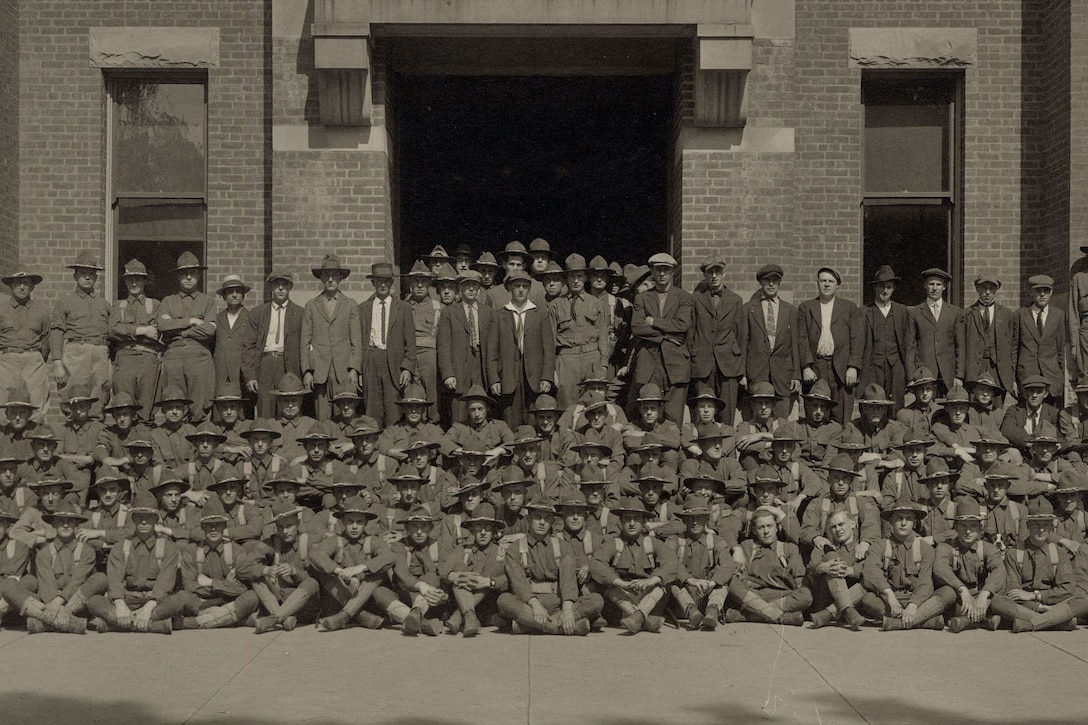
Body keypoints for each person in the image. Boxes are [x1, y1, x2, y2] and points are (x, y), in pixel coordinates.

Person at [84, 491, 187, 634]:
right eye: (139, 517)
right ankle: (156, 625)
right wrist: (120, 605)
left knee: (180, 599)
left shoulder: (168, 548)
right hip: (128, 599)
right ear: (133, 518)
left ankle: (114, 624)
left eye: (149, 517)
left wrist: (147, 609)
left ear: (156, 519)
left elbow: (165, 583)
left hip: (155, 601)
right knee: (94, 601)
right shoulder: (121, 546)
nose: (144, 521)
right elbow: (115, 580)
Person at [496, 497, 601, 636]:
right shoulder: (515, 549)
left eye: (547, 518)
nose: (542, 522)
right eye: (537, 517)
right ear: (528, 519)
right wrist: (536, 605)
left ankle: (526, 626)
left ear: (553, 521)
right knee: (503, 601)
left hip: (558, 602)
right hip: (530, 604)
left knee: (596, 600)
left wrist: (567, 609)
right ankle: (561, 627)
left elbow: (568, 581)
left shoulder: (563, 547)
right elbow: (518, 584)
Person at [1, 501, 97, 634]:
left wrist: (59, 605)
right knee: (9, 585)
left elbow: (77, 582)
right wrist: (53, 604)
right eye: (60, 521)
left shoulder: (87, 550)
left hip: (75, 603)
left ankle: (47, 621)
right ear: (53, 525)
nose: (65, 525)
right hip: (47, 603)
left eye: (70, 521)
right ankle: (66, 622)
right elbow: (47, 587)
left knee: (100, 578)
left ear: (76, 524)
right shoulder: (44, 553)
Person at [991, 497, 1081, 632]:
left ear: (1051, 527)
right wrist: (1040, 607)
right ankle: (1054, 621)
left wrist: (1036, 596)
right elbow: (1014, 592)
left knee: (1080, 600)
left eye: (1045, 525)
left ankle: (1029, 623)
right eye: (1036, 524)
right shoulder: (1014, 553)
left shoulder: (1059, 553)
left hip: (1052, 602)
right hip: (1028, 605)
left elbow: (1068, 589)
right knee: (997, 601)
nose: (1041, 530)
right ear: (1028, 526)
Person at [590, 496, 676, 633]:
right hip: (622, 599)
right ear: (620, 521)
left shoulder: (653, 543)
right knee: (606, 584)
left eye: (636, 519)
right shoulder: (613, 543)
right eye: (627, 519)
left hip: (649, 598)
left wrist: (651, 580)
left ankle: (639, 615)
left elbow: (671, 562)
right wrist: (621, 583)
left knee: (663, 583)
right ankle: (642, 619)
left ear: (644, 522)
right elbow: (596, 564)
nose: (631, 523)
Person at [309, 495, 394, 632]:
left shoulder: (372, 540)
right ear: (342, 521)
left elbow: (390, 556)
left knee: (377, 573)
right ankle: (359, 615)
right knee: (323, 572)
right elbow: (315, 555)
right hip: (339, 597)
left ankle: (345, 615)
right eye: (350, 521)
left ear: (366, 523)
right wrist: (339, 571)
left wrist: (360, 568)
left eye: (359, 522)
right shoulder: (335, 540)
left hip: (366, 596)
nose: (354, 526)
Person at [174, 498, 261, 630]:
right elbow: (190, 586)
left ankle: (194, 622)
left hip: (228, 602)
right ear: (202, 527)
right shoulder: (191, 551)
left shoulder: (237, 551)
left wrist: (211, 583)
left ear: (224, 527)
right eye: (208, 525)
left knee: (252, 597)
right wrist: (226, 586)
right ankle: (232, 619)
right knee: (183, 597)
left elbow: (242, 588)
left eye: (218, 524)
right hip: (203, 602)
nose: (213, 529)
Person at [860, 498, 946, 630]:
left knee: (948, 593)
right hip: (892, 601)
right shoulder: (880, 545)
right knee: (868, 599)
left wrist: (913, 605)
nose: (904, 523)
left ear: (915, 522)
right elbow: (871, 572)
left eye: (909, 519)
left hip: (918, 600)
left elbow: (925, 582)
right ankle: (924, 621)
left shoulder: (925, 549)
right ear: (891, 521)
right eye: (899, 518)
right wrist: (890, 595)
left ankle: (897, 622)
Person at [239, 499, 321, 633]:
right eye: (280, 527)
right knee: (256, 576)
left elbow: (319, 577)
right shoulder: (272, 542)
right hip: (279, 599)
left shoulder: (308, 541)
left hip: (305, 603)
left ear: (298, 523)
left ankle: (274, 619)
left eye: (289, 526)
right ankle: (285, 619)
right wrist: (266, 570)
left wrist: (295, 572)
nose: (285, 531)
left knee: (312, 582)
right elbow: (242, 568)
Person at [486, 270, 556, 429]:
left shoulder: (540, 314)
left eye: (524, 286)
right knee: (510, 419)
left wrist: (547, 376)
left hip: (534, 376)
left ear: (529, 288)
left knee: (533, 419)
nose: (521, 290)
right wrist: (494, 378)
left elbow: (549, 349)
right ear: (510, 288)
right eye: (517, 286)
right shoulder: (498, 315)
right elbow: (491, 350)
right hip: (508, 375)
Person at [628, 253, 692, 424]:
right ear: (652, 272)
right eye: (658, 270)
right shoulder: (642, 297)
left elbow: (683, 325)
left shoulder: (684, 297)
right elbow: (637, 327)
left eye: (666, 270)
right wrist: (666, 336)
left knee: (673, 417)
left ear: (672, 273)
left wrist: (654, 321)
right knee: (650, 414)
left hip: (676, 363)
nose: (662, 274)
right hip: (649, 362)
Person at [157, 251, 218, 423]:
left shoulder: (208, 301)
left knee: (200, 406)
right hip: (174, 356)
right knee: (175, 404)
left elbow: (209, 330)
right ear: (178, 276)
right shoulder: (168, 301)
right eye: (184, 273)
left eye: (193, 273)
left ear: (199, 275)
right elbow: (163, 326)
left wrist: (180, 330)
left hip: (199, 356)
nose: (189, 277)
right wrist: (192, 321)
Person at [797, 266, 863, 424]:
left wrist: (853, 367)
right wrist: (806, 367)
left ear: (837, 285)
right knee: (817, 414)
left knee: (841, 416)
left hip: (840, 370)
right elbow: (802, 338)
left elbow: (857, 338)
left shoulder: (849, 308)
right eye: (823, 281)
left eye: (831, 281)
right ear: (818, 283)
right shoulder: (806, 308)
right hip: (816, 368)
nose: (826, 284)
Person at [51, 251, 112, 418]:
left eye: (91, 273)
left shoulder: (104, 305)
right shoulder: (65, 302)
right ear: (75, 275)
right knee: (73, 395)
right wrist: (57, 362)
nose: (88, 277)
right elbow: (56, 331)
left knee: (99, 395)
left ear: (96, 277)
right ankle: (73, 433)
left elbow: (112, 333)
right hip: (76, 351)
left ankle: (95, 435)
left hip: (100, 353)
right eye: (83, 273)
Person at [727, 506, 811, 625]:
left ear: (777, 527)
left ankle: (748, 615)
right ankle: (779, 616)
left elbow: (799, 580)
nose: (766, 531)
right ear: (755, 531)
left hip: (780, 596)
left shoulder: (789, 548)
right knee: (730, 581)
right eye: (761, 527)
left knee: (806, 595)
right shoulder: (747, 546)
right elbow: (738, 575)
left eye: (769, 526)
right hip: (752, 595)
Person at [302, 253, 361, 421]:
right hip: (319, 371)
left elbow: (356, 340)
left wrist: (354, 369)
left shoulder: (350, 305)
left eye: (334, 275)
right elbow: (304, 341)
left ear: (340, 277)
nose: (330, 279)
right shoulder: (311, 306)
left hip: (343, 370)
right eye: (326, 275)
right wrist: (307, 370)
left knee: (342, 415)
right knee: (322, 416)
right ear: (320, 278)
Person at [932, 497, 1006, 632]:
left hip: (981, 599)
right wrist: (962, 589)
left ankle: (966, 621)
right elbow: (940, 568)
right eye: (963, 526)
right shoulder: (945, 547)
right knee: (947, 596)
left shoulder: (987, 548)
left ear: (980, 528)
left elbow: (999, 569)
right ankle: (982, 619)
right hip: (958, 600)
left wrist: (984, 594)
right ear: (956, 527)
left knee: (997, 593)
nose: (968, 531)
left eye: (973, 526)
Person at [359, 262, 417, 428]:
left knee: (393, 409)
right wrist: (360, 369)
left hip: (394, 363)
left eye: (386, 281)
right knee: (372, 409)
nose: (383, 285)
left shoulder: (403, 308)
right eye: (379, 281)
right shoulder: (363, 308)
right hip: (371, 360)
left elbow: (410, 342)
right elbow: (359, 340)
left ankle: (392, 445)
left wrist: (407, 367)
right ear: (373, 283)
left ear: (392, 283)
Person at [438, 502, 508, 636]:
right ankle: (469, 616)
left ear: (494, 530)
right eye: (478, 527)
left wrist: (489, 582)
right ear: (471, 530)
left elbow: (509, 580)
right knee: (461, 573)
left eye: (487, 528)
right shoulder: (463, 549)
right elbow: (443, 570)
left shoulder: (500, 552)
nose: (483, 532)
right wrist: (453, 576)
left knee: (490, 571)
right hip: (462, 597)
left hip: (489, 605)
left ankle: (460, 615)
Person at [242, 271, 304, 420]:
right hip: (265, 365)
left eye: (284, 285)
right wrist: (250, 376)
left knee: (289, 408)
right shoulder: (258, 313)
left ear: (290, 287)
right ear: (271, 287)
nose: (281, 288)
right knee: (266, 408)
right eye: (277, 285)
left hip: (289, 366)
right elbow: (248, 346)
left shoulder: (300, 313)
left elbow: (306, 344)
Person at [668, 493, 735, 630]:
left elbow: (728, 564)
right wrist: (690, 580)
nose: (695, 522)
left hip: (707, 596)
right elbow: (669, 562)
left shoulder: (716, 541)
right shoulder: (674, 540)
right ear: (684, 521)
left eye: (699, 517)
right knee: (673, 581)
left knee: (723, 581)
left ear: (706, 519)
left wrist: (712, 582)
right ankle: (691, 612)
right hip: (682, 600)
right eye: (690, 518)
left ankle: (713, 611)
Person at [551, 254, 609, 409]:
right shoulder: (556, 305)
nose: (576, 280)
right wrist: (552, 370)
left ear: (585, 278)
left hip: (592, 358)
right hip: (566, 360)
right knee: (566, 404)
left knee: (593, 404)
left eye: (579, 276)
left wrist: (603, 365)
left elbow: (603, 337)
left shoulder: (597, 303)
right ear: (566, 279)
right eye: (572, 276)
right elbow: (550, 342)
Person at [109, 259, 163, 424]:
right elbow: (113, 330)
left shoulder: (155, 304)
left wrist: (127, 330)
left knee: (146, 409)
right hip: (124, 359)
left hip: (148, 359)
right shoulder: (118, 306)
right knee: (125, 405)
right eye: (130, 279)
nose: (134, 283)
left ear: (145, 281)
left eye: (138, 279)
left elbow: (158, 330)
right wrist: (142, 330)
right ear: (125, 281)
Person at [743, 264, 800, 420]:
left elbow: (794, 343)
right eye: (767, 280)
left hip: (782, 372)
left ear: (780, 283)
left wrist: (796, 374)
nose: (771, 284)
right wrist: (743, 373)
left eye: (775, 280)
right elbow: (744, 342)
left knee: (781, 419)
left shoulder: (789, 310)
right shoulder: (749, 308)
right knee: (756, 417)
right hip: (757, 370)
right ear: (761, 282)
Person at [438, 269, 493, 424]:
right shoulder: (449, 312)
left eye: (474, 286)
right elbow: (443, 345)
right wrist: (448, 373)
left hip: (480, 369)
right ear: (460, 288)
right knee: (459, 413)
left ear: (479, 288)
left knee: (480, 408)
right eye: (467, 285)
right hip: (458, 370)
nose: (470, 289)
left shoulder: (488, 312)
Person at [861, 265, 915, 412]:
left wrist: (909, 373)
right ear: (875, 288)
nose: (885, 291)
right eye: (881, 286)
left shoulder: (901, 311)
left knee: (896, 405)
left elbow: (908, 343)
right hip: (874, 366)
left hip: (896, 366)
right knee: (873, 403)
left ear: (893, 289)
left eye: (889, 287)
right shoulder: (865, 311)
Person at [0, 268, 53, 420]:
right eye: (18, 283)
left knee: (37, 404)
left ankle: (34, 440)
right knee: (3, 405)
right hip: (7, 362)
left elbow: (46, 338)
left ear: (32, 287)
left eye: (26, 283)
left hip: (33, 362)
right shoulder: (1, 309)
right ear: (10, 286)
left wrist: (35, 357)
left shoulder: (41, 310)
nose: (22, 287)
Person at [807, 509, 868, 630]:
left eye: (841, 524)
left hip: (853, 599)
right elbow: (811, 567)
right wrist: (825, 567)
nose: (838, 529)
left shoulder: (861, 548)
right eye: (833, 527)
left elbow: (869, 567)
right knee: (832, 559)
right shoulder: (824, 545)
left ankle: (828, 613)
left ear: (852, 524)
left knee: (869, 581)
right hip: (825, 597)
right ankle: (847, 609)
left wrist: (850, 571)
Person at [910, 267, 964, 396]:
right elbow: (910, 347)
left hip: (948, 374)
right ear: (925, 286)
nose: (934, 288)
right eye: (931, 284)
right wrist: (912, 375)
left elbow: (960, 346)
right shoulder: (916, 312)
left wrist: (959, 375)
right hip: (924, 372)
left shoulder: (955, 312)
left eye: (938, 284)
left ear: (944, 287)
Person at [963, 274, 1018, 398]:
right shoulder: (967, 314)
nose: (988, 292)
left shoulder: (1007, 314)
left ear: (996, 290)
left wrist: (1012, 378)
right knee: (973, 407)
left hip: (998, 370)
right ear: (977, 289)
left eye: (991, 289)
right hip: (975, 368)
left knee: (996, 407)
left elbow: (1012, 348)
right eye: (984, 288)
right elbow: (960, 347)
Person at [1016, 274, 1067, 401]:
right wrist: (1013, 380)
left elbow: (1060, 350)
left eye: (1046, 290)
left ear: (1051, 292)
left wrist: (1061, 379)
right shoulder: (1020, 315)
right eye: (1038, 290)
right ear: (1031, 292)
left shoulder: (1058, 315)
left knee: (1050, 417)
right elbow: (1013, 350)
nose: (1042, 294)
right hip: (1027, 377)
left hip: (1051, 378)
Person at [404, 260, 442, 423]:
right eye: (416, 282)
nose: (420, 285)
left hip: (429, 354)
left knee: (431, 390)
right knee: (409, 390)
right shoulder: (402, 305)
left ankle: (433, 424)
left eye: (423, 282)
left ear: (429, 285)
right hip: (407, 354)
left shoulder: (437, 307)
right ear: (410, 284)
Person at [212, 274, 252, 399]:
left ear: (243, 295)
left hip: (242, 373)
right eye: (230, 292)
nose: (234, 295)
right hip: (221, 373)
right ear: (224, 296)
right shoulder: (217, 318)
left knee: (244, 411)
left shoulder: (251, 318)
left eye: (238, 292)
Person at [1000, 375, 1060, 456]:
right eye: (1031, 391)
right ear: (1025, 394)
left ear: (1046, 394)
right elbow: (1007, 429)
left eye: (1039, 392)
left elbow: (1060, 436)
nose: (1035, 395)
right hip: (1022, 452)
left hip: (1045, 454)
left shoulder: (1053, 412)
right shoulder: (1014, 410)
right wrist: (1031, 443)